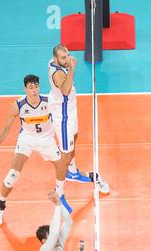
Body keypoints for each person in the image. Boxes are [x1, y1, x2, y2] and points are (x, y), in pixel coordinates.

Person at [0, 75, 71, 227]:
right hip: (27, 139)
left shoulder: (48, 101)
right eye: (30, 87)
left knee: (62, 167)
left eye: (36, 86)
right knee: (12, 175)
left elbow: (63, 115)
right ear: (25, 89)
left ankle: (60, 196)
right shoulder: (18, 105)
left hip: (47, 140)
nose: (34, 90)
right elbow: (6, 129)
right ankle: (0, 206)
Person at [48, 45, 109, 194]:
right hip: (63, 116)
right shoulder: (57, 74)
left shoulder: (54, 61)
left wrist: (67, 61)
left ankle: (72, 170)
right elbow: (65, 90)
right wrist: (72, 68)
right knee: (66, 153)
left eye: (67, 55)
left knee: (75, 136)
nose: (67, 59)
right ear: (56, 59)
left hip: (70, 109)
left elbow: (63, 61)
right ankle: (59, 190)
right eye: (63, 57)